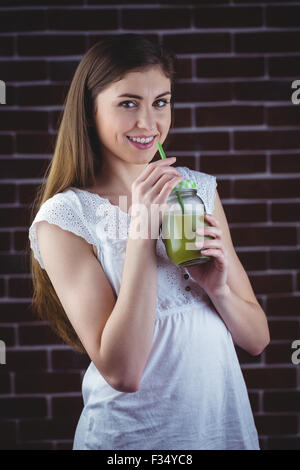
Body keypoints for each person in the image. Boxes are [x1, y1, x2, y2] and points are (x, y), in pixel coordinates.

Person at [28, 34, 270, 450]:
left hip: (220, 429)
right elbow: (123, 372)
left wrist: (219, 290)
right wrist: (141, 231)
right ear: (89, 112)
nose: (148, 123)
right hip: (132, 441)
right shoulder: (66, 218)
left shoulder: (196, 190)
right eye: (128, 103)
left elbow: (257, 339)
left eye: (161, 102)